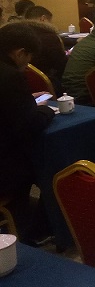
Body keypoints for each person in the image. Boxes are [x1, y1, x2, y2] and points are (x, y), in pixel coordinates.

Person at [0, 23, 55, 238]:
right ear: (20, 53)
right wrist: (46, 111)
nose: (28, 63)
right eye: (29, 57)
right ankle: (37, 231)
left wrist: (24, 99)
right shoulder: (11, 76)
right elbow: (30, 124)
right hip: (6, 167)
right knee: (51, 164)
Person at [23, 5, 67, 95]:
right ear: (43, 19)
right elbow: (61, 65)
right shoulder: (49, 37)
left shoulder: (19, 34)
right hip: (48, 84)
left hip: (24, 85)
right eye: (50, 21)